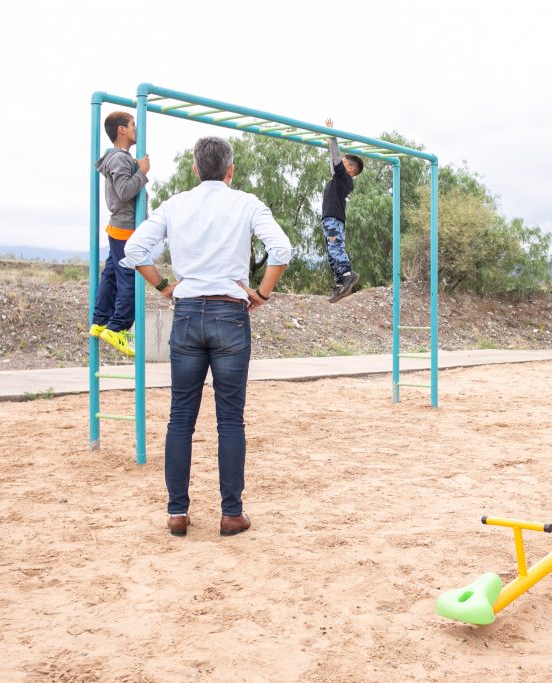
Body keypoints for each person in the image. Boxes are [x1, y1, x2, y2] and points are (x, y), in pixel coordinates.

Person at [121, 136, 293, 537]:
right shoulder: (247, 203)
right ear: (230, 170)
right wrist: (262, 293)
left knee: (181, 417)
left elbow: (134, 249)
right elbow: (282, 250)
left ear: (196, 169)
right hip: (230, 314)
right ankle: (231, 514)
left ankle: (177, 513)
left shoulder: (175, 205)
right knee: (230, 419)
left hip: (186, 314)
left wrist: (164, 286)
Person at [90, 111, 150, 357]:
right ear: (122, 130)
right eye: (133, 124)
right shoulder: (119, 158)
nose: (137, 128)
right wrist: (142, 172)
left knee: (112, 276)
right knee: (130, 280)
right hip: (126, 228)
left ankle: (100, 320)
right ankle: (117, 328)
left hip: (120, 227)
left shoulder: (119, 158)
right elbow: (125, 191)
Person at [320, 118, 364, 303]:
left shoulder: (345, 179)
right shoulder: (339, 178)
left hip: (333, 218)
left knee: (335, 247)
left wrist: (332, 136)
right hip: (329, 219)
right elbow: (334, 161)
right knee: (332, 253)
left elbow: (335, 158)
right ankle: (340, 284)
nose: (338, 164)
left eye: (343, 163)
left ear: (350, 169)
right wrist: (329, 142)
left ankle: (347, 275)